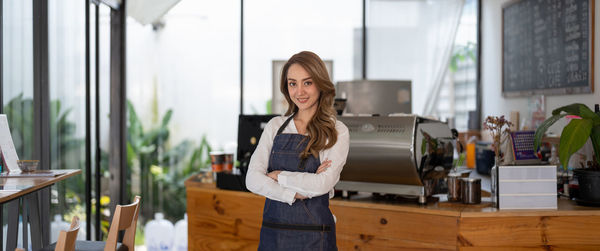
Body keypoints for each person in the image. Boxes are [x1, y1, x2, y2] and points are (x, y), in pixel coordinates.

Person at [246, 51, 349, 251]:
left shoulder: (336, 131)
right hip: (273, 234)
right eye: (293, 83)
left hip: (316, 237)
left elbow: (322, 184)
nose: (299, 92)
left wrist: (279, 176)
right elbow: (252, 180)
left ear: (320, 84)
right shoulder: (275, 126)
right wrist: (294, 194)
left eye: (307, 83)